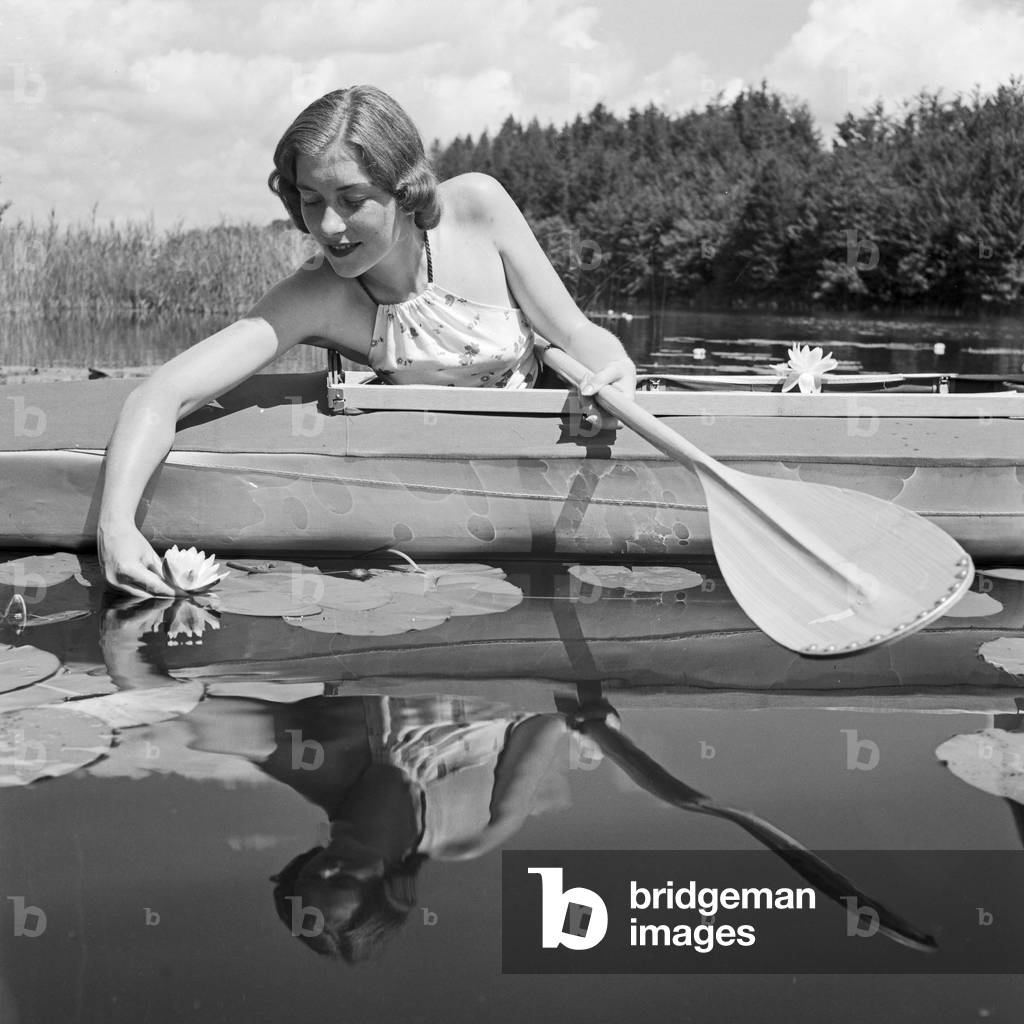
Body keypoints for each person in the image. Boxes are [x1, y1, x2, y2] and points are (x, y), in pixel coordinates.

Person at [97, 85, 637, 597]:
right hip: (436, 479)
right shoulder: (316, 295)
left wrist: (615, 368)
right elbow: (162, 393)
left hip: (549, 442)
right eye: (311, 200)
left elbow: (573, 333)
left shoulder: (478, 206)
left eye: (352, 199)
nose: (328, 226)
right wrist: (116, 526)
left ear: (404, 190)